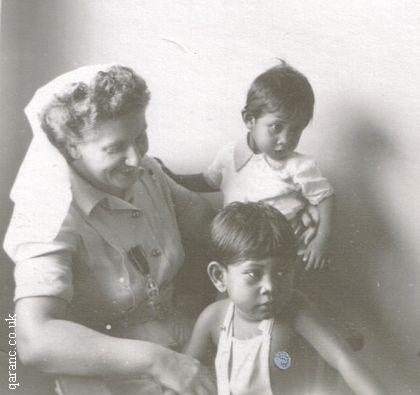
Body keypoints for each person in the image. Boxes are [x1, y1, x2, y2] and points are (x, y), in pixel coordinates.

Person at [3, 65, 216, 395]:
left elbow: (207, 222)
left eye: (140, 136)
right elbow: (32, 339)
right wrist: (159, 362)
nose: (136, 157)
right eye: (116, 148)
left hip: (180, 342)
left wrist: (261, 228)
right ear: (72, 147)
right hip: (105, 372)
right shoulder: (50, 209)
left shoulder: (147, 172)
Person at [185, 202, 386, 395]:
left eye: (282, 272)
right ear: (219, 277)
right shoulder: (213, 318)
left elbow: (344, 360)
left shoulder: (295, 311)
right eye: (254, 274)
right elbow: (184, 372)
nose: (270, 287)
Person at [159, 60, 334, 271]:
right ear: (249, 119)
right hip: (236, 252)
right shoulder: (229, 155)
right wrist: (172, 177)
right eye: (276, 127)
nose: (285, 139)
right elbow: (208, 180)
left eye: (295, 130)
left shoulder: (299, 166)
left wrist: (320, 241)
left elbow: (325, 197)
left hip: (280, 255)